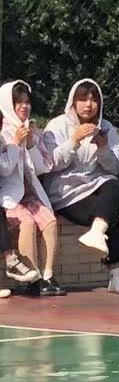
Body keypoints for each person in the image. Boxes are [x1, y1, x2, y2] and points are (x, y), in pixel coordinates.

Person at [43, 79, 119, 294]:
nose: (88, 105)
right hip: (64, 194)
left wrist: (103, 149)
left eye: (94, 100)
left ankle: (96, 232)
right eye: (83, 99)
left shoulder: (106, 127)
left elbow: (116, 168)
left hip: (93, 186)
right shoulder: (57, 126)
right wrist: (74, 140)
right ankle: (116, 273)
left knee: (117, 187)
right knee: (109, 212)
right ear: (73, 102)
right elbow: (51, 164)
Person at [0, 81, 51, 292]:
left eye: (27, 102)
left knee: (49, 221)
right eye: (18, 102)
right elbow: (5, 169)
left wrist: (30, 144)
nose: (24, 106)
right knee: (26, 222)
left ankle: (47, 277)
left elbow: (42, 168)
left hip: (30, 195)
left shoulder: (31, 130)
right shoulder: (4, 134)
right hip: (9, 197)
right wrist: (14, 143)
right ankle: (31, 278)